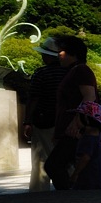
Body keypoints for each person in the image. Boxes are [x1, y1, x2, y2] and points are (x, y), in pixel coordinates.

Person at [44, 35, 98, 189]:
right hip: (71, 127)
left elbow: (90, 96)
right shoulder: (74, 71)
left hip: (75, 129)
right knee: (61, 165)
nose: (58, 55)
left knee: (54, 165)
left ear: (72, 53)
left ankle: (67, 196)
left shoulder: (81, 70)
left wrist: (77, 121)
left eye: (61, 52)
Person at [22, 37, 69, 191]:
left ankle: (39, 190)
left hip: (44, 121)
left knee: (41, 159)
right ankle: (68, 188)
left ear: (49, 56)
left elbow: (33, 99)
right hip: (66, 121)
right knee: (65, 158)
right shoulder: (70, 73)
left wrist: (27, 121)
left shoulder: (41, 73)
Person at [67, 101, 101, 190]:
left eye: (77, 116)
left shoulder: (88, 138)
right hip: (97, 178)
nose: (75, 119)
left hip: (88, 180)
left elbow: (85, 157)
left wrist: (75, 174)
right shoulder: (96, 135)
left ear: (85, 118)